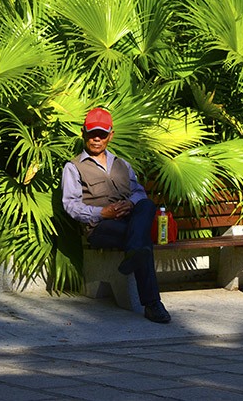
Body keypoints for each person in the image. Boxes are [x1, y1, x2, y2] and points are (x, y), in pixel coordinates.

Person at [61, 107, 171, 324]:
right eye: (92, 133)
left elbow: (138, 191)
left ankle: (135, 251)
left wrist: (130, 203)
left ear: (110, 135)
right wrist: (102, 212)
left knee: (146, 204)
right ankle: (152, 304)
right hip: (100, 227)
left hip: (129, 220)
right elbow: (70, 205)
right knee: (142, 242)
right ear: (83, 133)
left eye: (102, 134)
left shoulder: (123, 164)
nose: (96, 139)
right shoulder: (73, 167)